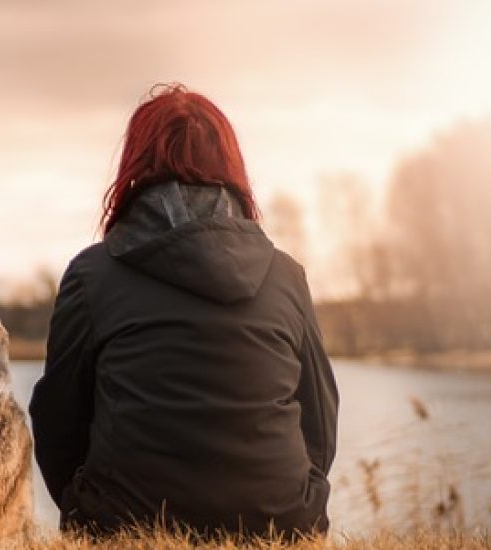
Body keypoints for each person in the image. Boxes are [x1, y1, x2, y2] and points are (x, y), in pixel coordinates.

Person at [29, 83, 338, 540]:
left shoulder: (92, 275)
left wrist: (86, 507)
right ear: (231, 166)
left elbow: (58, 421)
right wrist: (296, 500)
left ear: (135, 165)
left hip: (123, 526)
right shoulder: (286, 276)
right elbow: (320, 421)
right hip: (279, 526)